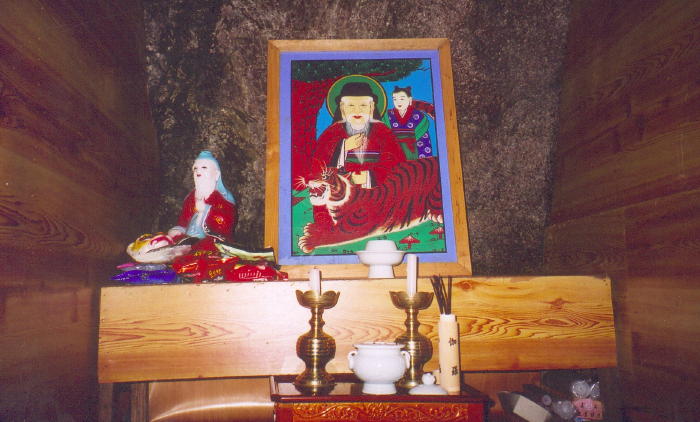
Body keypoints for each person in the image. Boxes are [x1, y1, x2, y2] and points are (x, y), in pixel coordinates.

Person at [312, 81, 405, 188]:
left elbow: (396, 164)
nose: (357, 110)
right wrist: (343, 147)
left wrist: (370, 177)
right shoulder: (332, 132)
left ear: (372, 107)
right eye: (351, 105)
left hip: (376, 191)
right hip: (341, 190)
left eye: (363, 105)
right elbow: (318, 164)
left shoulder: (383, 132)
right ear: (342, 108)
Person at [168, 150, 237, 244]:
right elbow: (184, 221)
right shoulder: (190, 198)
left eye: (204, 167)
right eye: (195, 168)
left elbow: (226, 224)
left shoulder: (224, 198)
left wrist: (205, 209)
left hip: (213, 241)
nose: (198, 171)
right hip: (188, 239)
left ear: (216, 175)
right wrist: (179, 230)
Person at [384, 86, 434, 159]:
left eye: (402, 99)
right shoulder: (387, 116)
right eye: (395, 99)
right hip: (393, 155)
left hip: (413, 156)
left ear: (410, 99)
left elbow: (424, 142)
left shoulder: (419, 117)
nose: (398, 102)